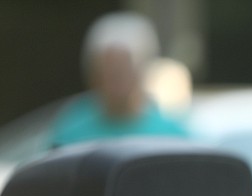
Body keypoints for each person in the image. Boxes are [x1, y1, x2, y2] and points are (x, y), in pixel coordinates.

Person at [49, 12, 188, 148]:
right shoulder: (69, 135)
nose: (117, 80)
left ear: (143, 71)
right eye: (110, 70)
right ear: (94, 73)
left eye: (124, 69)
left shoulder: (172, 138)